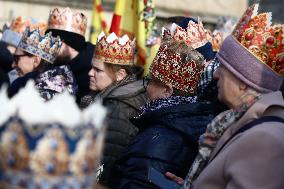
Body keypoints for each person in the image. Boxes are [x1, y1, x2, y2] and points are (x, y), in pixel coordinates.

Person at [168, 4, 284, 189]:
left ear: (244, 81)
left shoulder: (265, 139)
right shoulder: (237, 120)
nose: (215, 75)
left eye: (222, 67)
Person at [111, 24, 225, 189]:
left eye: (150, 81)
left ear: (166, 91)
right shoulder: (190, 120)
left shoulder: (160, 137)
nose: (146, 87)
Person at [79, 32, 147, 187]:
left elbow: (105, 162)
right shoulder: (105, 97)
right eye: (91, 67)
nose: (90, 73)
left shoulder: (120, 108)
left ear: (120, 74)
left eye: (98, 70)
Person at [8, 27, 77, 100]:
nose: (13, 65)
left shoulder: (35, 97)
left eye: (16, 58)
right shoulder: (50, 86)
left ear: (36, 61)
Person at [46, 7, 94, 103]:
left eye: (53, 43)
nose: (48, 48)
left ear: (69, 44)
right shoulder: (54, 65)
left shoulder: (92, 75)